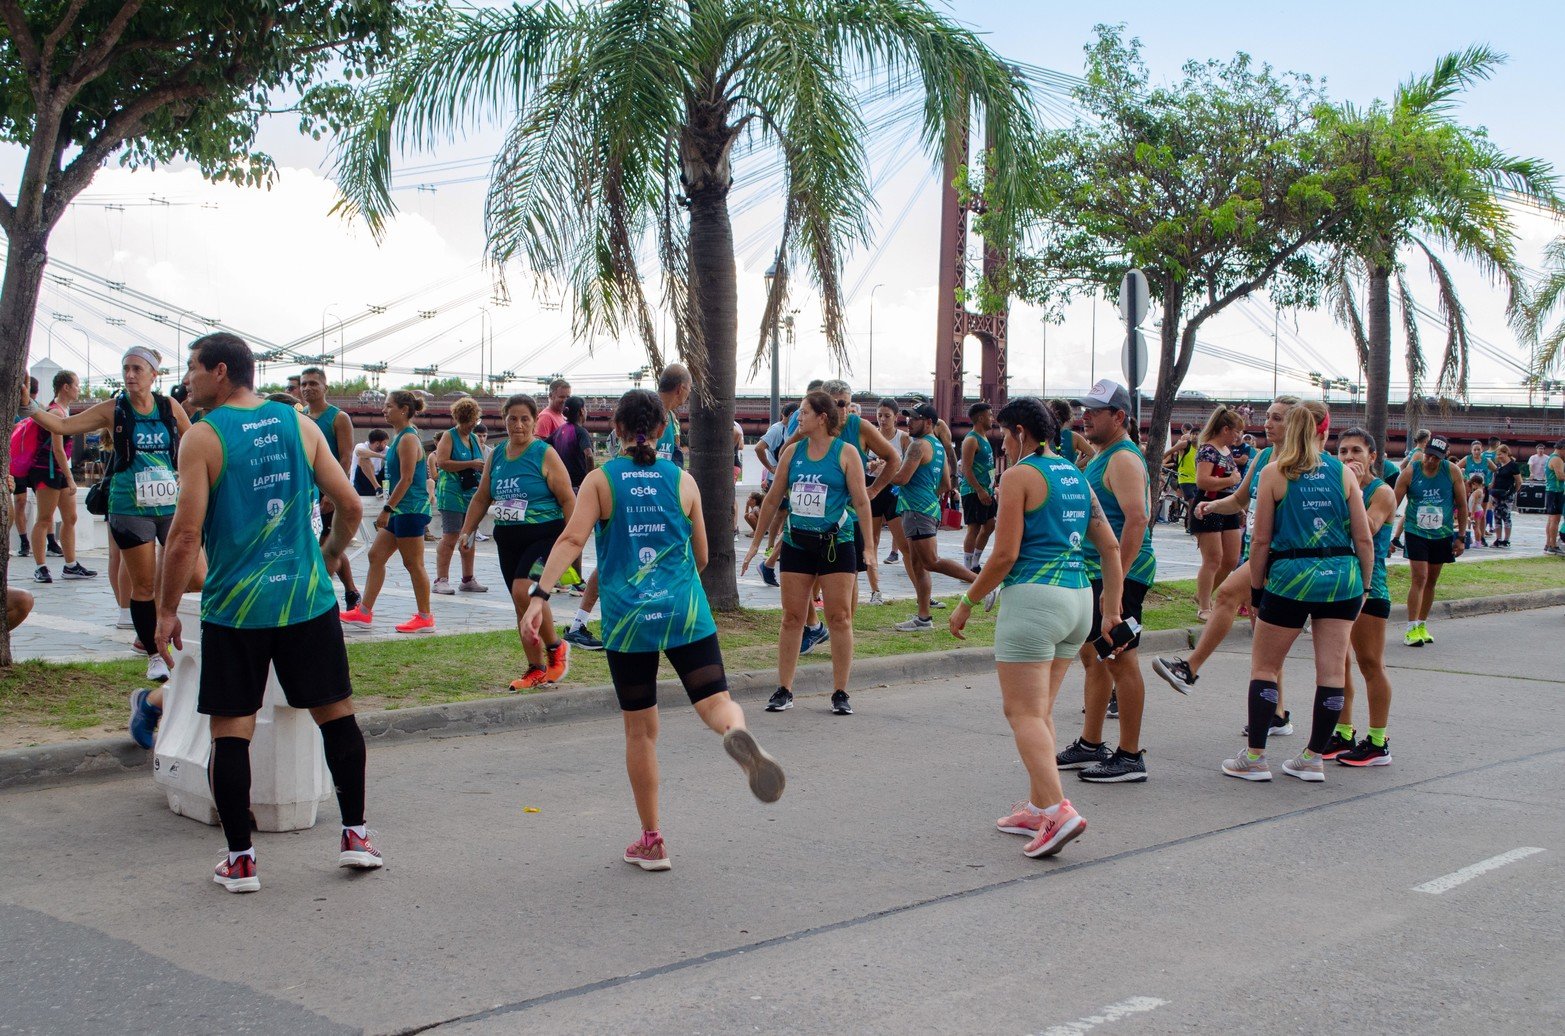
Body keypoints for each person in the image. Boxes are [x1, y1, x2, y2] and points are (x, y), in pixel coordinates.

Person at [153, 332, 380, 893]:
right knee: (336, 715)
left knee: (231, 731)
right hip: (305, 600)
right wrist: (325, 562)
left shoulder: (203, 438)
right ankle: (356, 836)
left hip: (235, 608)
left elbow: (183, 537)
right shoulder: (299, 424)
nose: (186, 378)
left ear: (222, 371)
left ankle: (241, 860)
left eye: (193, 367)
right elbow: (350, 507)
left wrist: (163, 611)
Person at [521, 389, 784, 871]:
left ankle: (652, 840)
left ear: (617, 430)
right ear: (663, 430)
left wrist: (540, 596)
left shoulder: (600, 481)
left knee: (641, 731)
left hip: (627, 618)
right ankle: (736, 732)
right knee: (716, 702)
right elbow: (702, 557)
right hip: (686, 611)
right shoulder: (683, 481)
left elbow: (572, 538)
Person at [949, 396, 1125, 858]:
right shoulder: (1075, 475)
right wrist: (1112, 609)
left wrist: (968, 601)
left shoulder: (1020, 476)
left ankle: (1056, 812)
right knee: (1040, 710)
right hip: (1077, 600)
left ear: (1020, 433)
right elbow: (1109, 546)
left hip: (1033, 602)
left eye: (1004, 436)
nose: (1002, 444)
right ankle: (1036, 804)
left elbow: (1004, 555)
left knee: (1022, 713)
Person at [26, 347, 197, 688]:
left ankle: (186, 635)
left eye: (137, 369)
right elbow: (62, 424)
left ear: (153, 375)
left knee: (198, 573)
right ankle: (153, 655)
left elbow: (194, 440)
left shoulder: (168, 407)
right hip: (129, 506)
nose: (130, 375)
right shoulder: (113, 409)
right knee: (143, 585)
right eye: (126, 369)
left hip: (169, 505)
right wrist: (28, 404)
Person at [1222, 401, 1372, 783]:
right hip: (1341, 579)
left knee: (1266, 667)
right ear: (1322, 432)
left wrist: (1256, 590)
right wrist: (1365, 585)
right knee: (1331, 670)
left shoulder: (1276, 473)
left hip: (1290, 577)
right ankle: (1313, 757)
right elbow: (1363, 538)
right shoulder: (1342, 473)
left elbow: (1260, 541)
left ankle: (1255, 757)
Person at [1152, 395, 1301, 742]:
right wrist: (1210, 506)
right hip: (1261, 553)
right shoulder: (1264, 456)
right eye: (1268, 416)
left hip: (1282, 555)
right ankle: (1277, 714)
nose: (1268, 423)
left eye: (1277, 418)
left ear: (1294, 424)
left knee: (1227, 596)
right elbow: (1240, 497)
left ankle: (1190, 668)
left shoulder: (1302, 462)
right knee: (1264, 637)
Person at [742, 390, 874, 716]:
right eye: (799, 412)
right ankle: (784, 689)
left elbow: (860, 501)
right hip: (798, 543)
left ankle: (840, 692)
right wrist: (757, 544)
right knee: (792, 618)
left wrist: (869, 547)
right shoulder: (792, 453)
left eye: (804, 412)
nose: (799, 418)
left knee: (839, 617)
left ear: (822, 418)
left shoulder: (845, 453)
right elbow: (773, 499)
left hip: (835, 544)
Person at [1054, 380, 1157, 783]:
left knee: (1120, 657)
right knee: (1093, 655)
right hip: (1097, 570)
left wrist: (1118, 580)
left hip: (1122, 572)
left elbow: (1138, 519)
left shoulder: (1124, 460)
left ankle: (1130, 755)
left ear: (1119, 417)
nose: (1086, 416)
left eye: (1095, 411)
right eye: (1085, 409)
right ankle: (1091, 743)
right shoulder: (1103, 456)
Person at [458, 393, 574, 689]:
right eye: (512, 418)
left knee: (526, 590)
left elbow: (567, 499)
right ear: (504, 419)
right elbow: (483, 496)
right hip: (508, 538)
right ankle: (535, 669)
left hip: (545, 535)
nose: (518, 425)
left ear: (535, 422)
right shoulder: (496, 455)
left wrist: (573, 544)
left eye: (525, 419)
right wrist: (467, 530)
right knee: (519, 603)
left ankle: (556, 648)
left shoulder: (544, 453)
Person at [340, 391, 437, 633]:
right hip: (401, 510)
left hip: (409, 509)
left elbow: (406, 480)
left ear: (404, 409)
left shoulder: (407, 440)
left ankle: (425, 617)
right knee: (376, 555)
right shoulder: (399, 437)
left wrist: (387, 509)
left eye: (388, 406)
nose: (384, 410)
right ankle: (364, 613)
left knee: (413, 563)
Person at [1328, 427, 1397, 767]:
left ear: (1372, 456)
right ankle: (1343, 731)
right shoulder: (1336, 485)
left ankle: (1378, 741)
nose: (1349, 457)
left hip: (1371, 586)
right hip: (1338, 583)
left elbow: (1367, 528)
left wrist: (1350, 487)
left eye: (1356, 451)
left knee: (1370, 663)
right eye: (1342, 452)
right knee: (1338, 661)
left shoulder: (1381, 491)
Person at [890, 402, 980, 631]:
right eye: (908, 418)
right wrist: (929, 496)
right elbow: (946, 484)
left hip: (917, 510)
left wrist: (878, 471)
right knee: (917, 564)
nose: (909, 422)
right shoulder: (939, 446)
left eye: (914, 418)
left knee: (931, 561)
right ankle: (923, 618)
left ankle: (980, 582)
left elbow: (902, 478)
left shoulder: (918, 446)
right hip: (924, 508)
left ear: (928, 422)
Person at [1394, 435, 1467, 646]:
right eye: (1428, 455)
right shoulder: (1411, 471)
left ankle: (1421, 624)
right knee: (1420, 577)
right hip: (1416, 533)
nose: (1431, 461)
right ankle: (1410, 629)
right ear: (1424, 451)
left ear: (1443, 457)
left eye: (1436, 458)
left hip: (1441, 534)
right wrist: (1391, 537)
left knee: (1432, 581)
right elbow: (1392, 504)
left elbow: (1462, 506)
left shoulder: (1451, 471)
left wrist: (1461, 537)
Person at [24, 370, 96, 583]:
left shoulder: (64, 411)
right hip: (47, 470)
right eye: (76, 385)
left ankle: (70, 565)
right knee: (45, 518)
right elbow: (58, 450)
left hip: (59, 470)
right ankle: (40, 567)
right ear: (65, 387)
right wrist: (71, 478)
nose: (78, 389)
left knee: (70, 517)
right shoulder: (55, 413)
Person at [299, 367, 361, 611]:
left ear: (325, 388)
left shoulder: (338, 417)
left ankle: (332, 593)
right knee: (318, 543)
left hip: (328, 492)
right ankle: (348, 591)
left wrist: (333, 494)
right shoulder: (300, 415)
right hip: (306, 492)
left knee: (327, 541)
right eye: (304, 384)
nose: (307, 388)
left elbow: (346, 458)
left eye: (313, 383)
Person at [1191, 405, 1245, 620]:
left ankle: (1202, 594)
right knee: (1213, 558)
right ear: (1225, 429)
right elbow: (1202, 481)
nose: (1237, 436)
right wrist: (1230, 481)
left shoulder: (1226, 451)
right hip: (1209, 504)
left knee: (1231, 559)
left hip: (1228, 505)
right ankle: (1204, 606)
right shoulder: (1207, 450)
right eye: (1236, 431)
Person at [432, 396, 488, 595]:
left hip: (469, 492)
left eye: (474, 421)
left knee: (470, 534)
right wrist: (470, 464)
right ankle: (441, 579)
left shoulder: (473, 438)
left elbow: (480, 462)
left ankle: (467, 578)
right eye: (471, 421)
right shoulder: (449, 436)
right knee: (451, 535)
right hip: (451, 492)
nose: (473, 425)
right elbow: (443, 462)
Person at [870, 398, 911, 580]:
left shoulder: (903, 438)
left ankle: (920, 589)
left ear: (896, 417)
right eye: (879, 415)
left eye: (887, 416)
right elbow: (861, 461)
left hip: (893, 491)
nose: (883, 420)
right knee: (872, 541)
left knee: (904, 543)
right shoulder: (871, 435)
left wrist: (891, 466)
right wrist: (871, 465)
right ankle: (875, 589)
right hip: (873, 489)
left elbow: (911, 466)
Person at [958, 402, 998, 572]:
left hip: (986, 490)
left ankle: (975, 562)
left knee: (990, 526)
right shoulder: (971, 439)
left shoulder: (985, 438)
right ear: (981, 418)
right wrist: (980, 490)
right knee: (973, 528)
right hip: (973, 491)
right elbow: (966, 468)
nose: (992, 418)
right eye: (989, 415)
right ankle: (967, 568)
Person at [655, 365, 691, 467]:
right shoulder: (643, 411)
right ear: (680, 389)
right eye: (689, 389)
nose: (689, 394)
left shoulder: (672, 417)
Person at [1487, 444, 1521, 548]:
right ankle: (1498, 539)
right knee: (1497, 517)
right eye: (1498, 455)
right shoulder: (1499, 466)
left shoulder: (1513, 466)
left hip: (1507, 494)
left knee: (1506, 517)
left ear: (1506, 453)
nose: (1499, 456)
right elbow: (1494, 479)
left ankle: (1506, 540)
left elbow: (1519, 481)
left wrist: (1513, 491)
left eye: (1500, 454)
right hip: (1496, 494)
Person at [1046, 398, 1094, 470]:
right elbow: (1092, 454)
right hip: (1068, 477)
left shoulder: (1041, 436)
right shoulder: (1074, 437)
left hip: (1046, 476)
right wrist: (1074, 467)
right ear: (1067, 417)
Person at [1545, 440, 1565, 556]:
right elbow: (1561, 476)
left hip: (1552, 491)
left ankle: (1548, 543)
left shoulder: (1552, 457)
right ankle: (1553, 545)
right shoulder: (1557, 459)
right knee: (1555, 520)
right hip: (1556, 491)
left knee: (1551, 519)